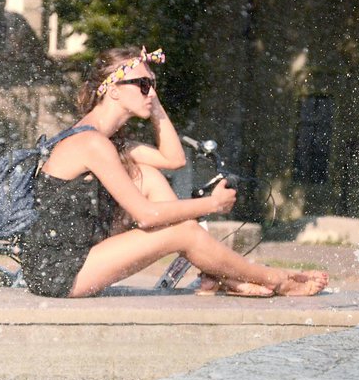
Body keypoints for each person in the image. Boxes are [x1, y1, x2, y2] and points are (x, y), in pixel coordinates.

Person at [19, 46, 329, 299]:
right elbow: (147, 216)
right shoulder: (92, 143)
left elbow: (173, 159)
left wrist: (155, 106)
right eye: (142, 85)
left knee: (149, 177)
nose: (151, 93)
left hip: (81, 259)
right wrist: (212, 205)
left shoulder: (108, 141)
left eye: (153, 85)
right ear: (113, 91)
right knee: (183, 231)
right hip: (59, 272)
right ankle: (276, 279)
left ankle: (220, 274)